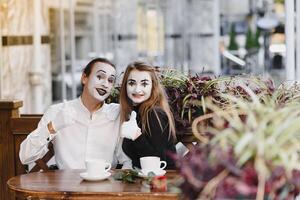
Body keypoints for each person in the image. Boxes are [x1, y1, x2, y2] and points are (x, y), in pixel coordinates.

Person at [20, 58, 132, 169]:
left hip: (105, 184)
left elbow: (127, 160)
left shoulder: (117, 113)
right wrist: (52, 127)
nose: (105, 84)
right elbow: (25, 156)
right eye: (99, 77)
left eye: (110, 80)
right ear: (84, 78)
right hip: (67, 185)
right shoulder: (58, 111)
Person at [120, 61, 177, 169]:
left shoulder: (154, 114)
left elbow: (157, 162)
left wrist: (136, 135)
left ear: (152, 86)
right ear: (125, 86)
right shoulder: (137, 112)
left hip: (161, 182)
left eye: (144, 84)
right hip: (145, 180)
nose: (137, 89)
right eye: (132, 83)